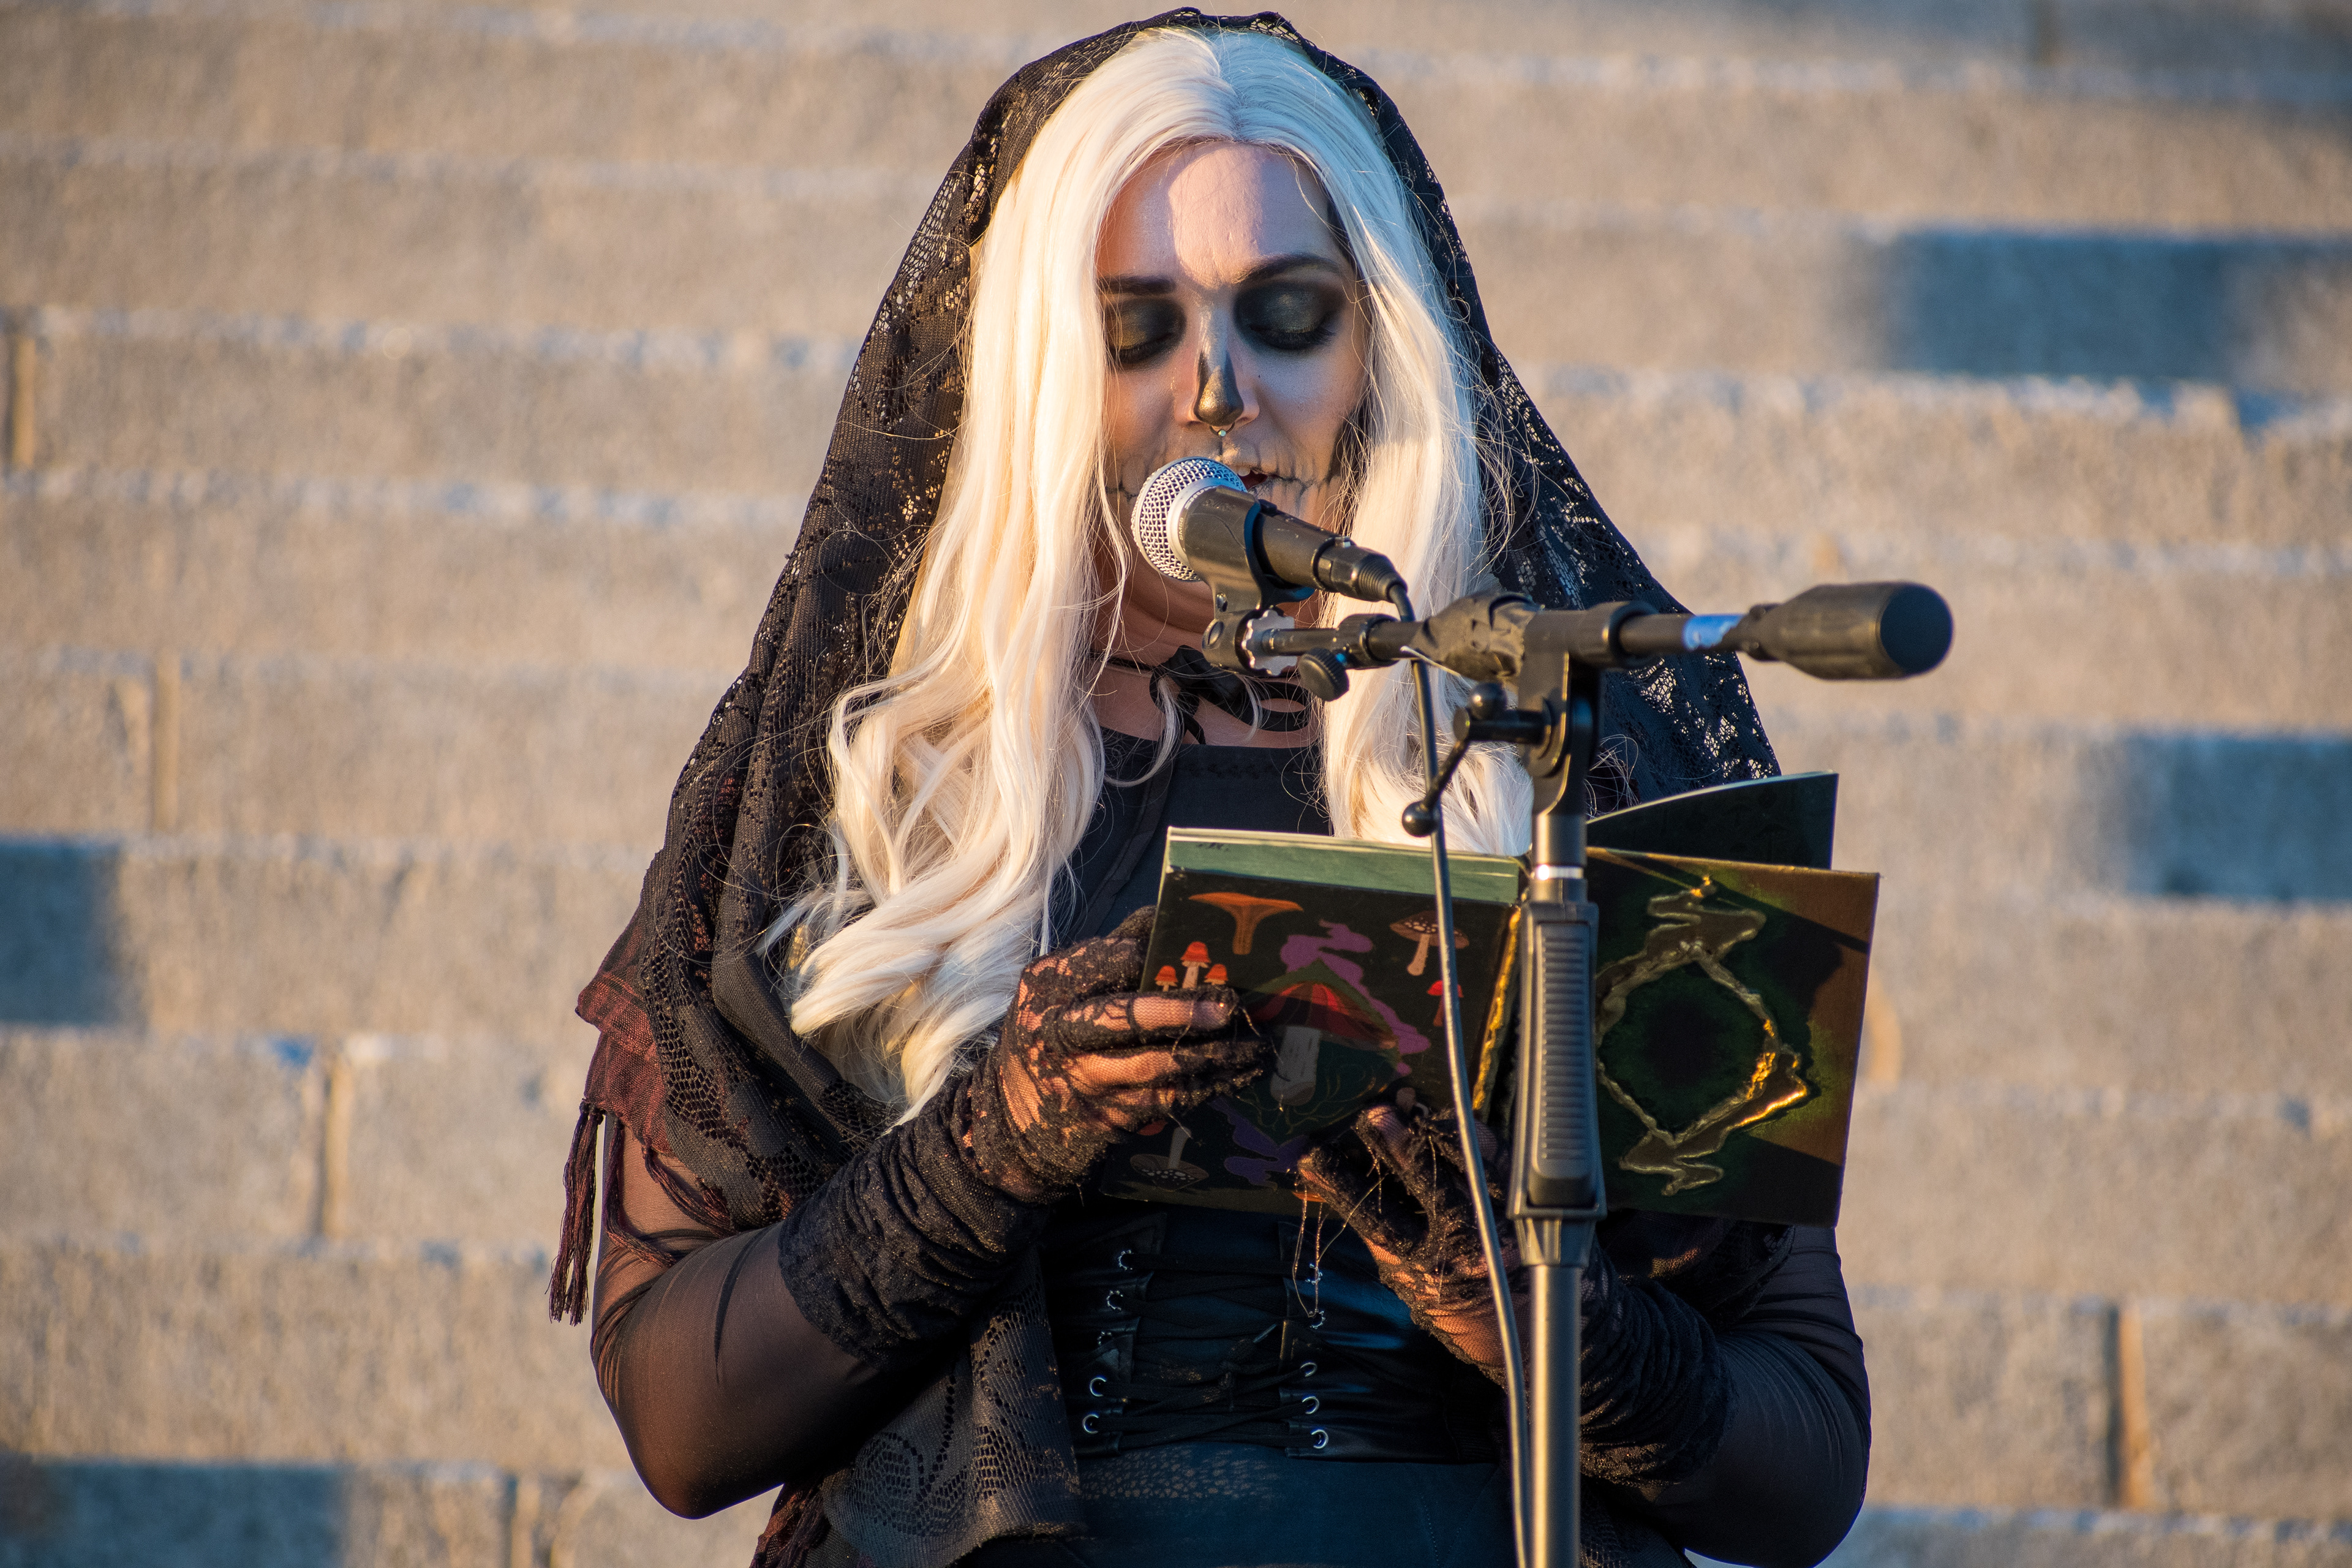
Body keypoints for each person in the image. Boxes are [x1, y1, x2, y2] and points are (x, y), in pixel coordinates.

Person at [550, 16, 1871, 1568]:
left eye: (1287, 313)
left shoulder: (1582, 764)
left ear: (1379, 346)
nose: (1216, 391)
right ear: (1036, 363)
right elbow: (681, 1425)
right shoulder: (870, 785)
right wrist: (987, 1145)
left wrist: (1540, 1317)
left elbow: (1809, 1465)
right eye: (1137, 328)